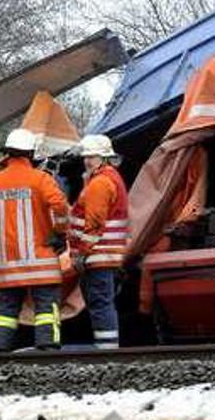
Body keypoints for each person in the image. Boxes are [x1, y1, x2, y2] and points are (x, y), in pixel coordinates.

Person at [0, 129, 70, 351]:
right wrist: (59, 232)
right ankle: (47, 346)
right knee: (46, 306)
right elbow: (60, 206)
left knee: (6, 307)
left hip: (8, 262)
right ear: (30, 154)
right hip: (41, 260)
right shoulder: (40, 179)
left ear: (8, 153)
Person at [69, 134, 129, 349]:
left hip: (98, 255)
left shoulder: (101, 182)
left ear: (104, 158)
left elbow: (94, 223)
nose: (87, 161)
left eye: (92, 156)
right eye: (85, 157)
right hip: (103, 255)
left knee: (100, 302)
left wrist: (81, 252)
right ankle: (106, 348)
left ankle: (106, 350)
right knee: (101, 301)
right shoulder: (108, 178)